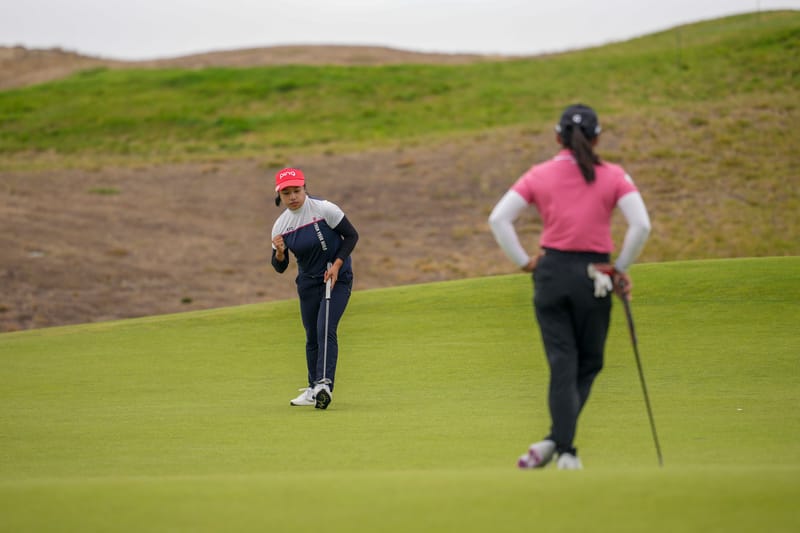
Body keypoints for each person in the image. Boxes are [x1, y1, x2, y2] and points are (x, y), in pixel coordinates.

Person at [488, 104, 651, 470]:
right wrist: (620, 268)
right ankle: (566, 450)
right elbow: (641, 226)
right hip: (595, 274)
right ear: (597, 137)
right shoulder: (613, 175)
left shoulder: (538, 174)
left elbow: (499, 219)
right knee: (588, 362)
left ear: (557, 137)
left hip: (551, 273)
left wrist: (525, 262)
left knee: (563, 362)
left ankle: (555, 443)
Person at [271, 167, 359, 410]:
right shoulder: (281, 226)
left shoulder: (324, 209)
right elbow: (279, 267)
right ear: (280, 194)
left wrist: (338, 265)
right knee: (311, 335)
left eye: (296, 191)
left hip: (336, 278)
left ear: (304, 188)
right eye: (287, 193)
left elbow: (351, 236)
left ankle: (324, 384)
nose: (293, 197)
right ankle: (312, 389)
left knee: (325, 328)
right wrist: (279, 252)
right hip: (308, 283)